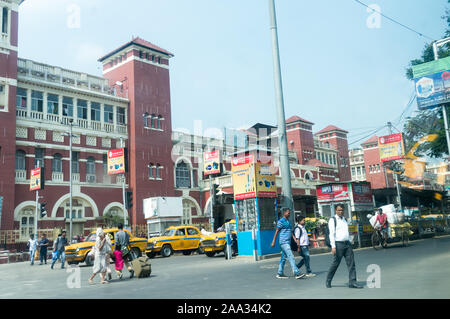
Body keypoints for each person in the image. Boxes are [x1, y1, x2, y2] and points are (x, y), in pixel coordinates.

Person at [326, 204, 362, 289]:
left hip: (347, 244)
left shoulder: (344, 220)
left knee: (351, 263)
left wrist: (350, 239)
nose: (340, 212)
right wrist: (333, 247)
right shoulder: (333, 220)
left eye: (342, 210)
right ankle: (328, 280)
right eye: (339, 210)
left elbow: (346, 232)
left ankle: (352, 282)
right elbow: (331, 234)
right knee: (336, 263)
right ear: (336, 210)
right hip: (338, 244)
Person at [270, 207, 305, 279]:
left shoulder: (288, 221)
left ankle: (280, 273)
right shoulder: (281, 221)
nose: (289, 214)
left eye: (289, 213)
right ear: (284, 213)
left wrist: (295, 239)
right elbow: (277, 231)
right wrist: (273, 241)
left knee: (283, 258)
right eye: (288, 213)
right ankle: (296, 272)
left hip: (288, 242)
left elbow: (291, 232)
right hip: (283, 242)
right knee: (291, 256)